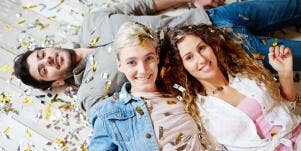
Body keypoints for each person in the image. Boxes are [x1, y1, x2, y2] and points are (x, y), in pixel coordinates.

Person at [14, 0, 301, 116]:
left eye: (42, 54)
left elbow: (145, 4)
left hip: (211, 17)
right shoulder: (92, 96)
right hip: (222, 56)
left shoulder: (92, 22)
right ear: (54, 83)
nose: (48, 60)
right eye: (43, 69)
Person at [162, 24, 301, 150]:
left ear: (211, 46)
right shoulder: (196, 109)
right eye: (189, 57)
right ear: (182, 67)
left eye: (202, 48)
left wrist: (285, 73)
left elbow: (288, 105)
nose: (202, 59)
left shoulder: (247, 73)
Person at [88, 21, 221, 151]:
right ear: (119, 64)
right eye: (132, 62)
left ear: (157, 57)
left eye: (148, 58)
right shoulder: (107, 113)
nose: (143, 70)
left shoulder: (180, 90)